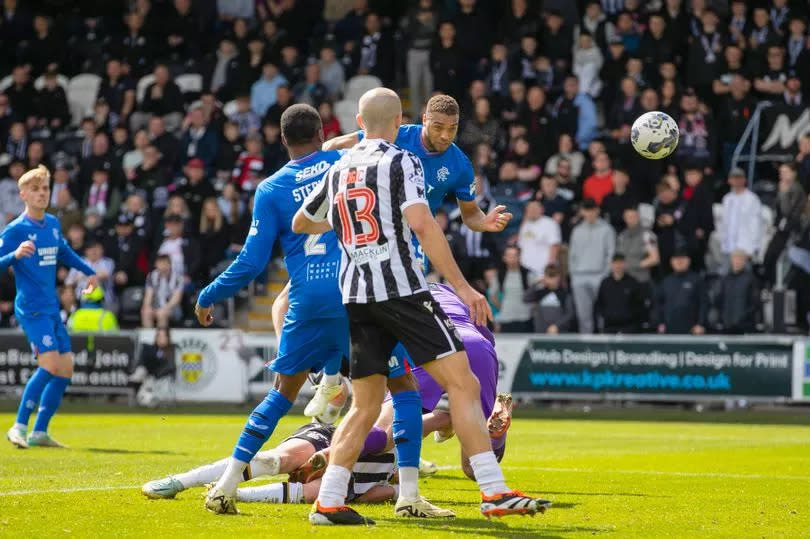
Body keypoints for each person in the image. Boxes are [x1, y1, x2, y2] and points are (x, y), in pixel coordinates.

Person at [293, 88, 549, 525]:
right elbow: (423, 224)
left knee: (365, 405)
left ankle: (329, 501)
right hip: (401, 291)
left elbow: (302, 221)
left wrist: (350, 224)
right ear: (399, 125)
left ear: (359, 121)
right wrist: (464, 287)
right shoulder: (403, 160)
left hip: (356, 295)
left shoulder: (340, 169)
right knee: (464, 385)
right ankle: (493, 490)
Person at [196, 104, 350, 516]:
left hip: (306, 298)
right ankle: (403, 486)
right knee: (394, 383)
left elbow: (250, 262)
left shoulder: (270, 189)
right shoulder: (343, 162)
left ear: (282, 141)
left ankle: (226, 484)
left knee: (281, 393)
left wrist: (207, 294)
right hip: (353, 292)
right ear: (322, 132)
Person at [0, 165, 99, 449]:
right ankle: (18, 426)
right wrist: (13, 255)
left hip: (51, 307)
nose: (42, 193)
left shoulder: (53, 224)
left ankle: (40, 431)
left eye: (45, 188)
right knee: (51, 364)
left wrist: (88, 270)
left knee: (66, 368)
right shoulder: (17, 229)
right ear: (23, 195)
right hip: (31, 308)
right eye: (36, 189)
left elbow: (64, 252)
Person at [569, 198, 615, 334]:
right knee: (583, 315)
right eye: (586, 211)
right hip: (580, 277)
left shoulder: (607, 229)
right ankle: (586, 347)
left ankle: (604, 343)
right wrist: (574, 276)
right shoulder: (577, 230)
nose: (589, 214)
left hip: (600, 275)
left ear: (597, 210)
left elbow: (610, 253)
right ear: (582, 211)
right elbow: (572, 255)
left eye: (592, 210)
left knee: (603, 313)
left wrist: (606, 274)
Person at [655, 248, 708, 335]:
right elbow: (659, 304)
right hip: (669, 329)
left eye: (682, 259)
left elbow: (704, 303)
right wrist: (660, 322)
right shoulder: (666, 281)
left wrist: (700, 324)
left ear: (688, 261)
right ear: (671, 262)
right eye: (676, 259)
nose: (679, 262)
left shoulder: (697, 280)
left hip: (692, 329)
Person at [721, 167, 762, 268]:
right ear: (729, 180)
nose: (736, 181)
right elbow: (725, 223)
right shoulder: (727, 199)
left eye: (739, 178)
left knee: (745, 278)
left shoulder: (752, 199)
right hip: (729, 247)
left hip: (745, 248)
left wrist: (754, 247)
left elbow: (756, 225)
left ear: (744, 180)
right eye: (734, 178)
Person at [595, 253, 646, 333]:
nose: (618, 266)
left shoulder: (633, 283)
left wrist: (631, 318)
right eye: (615, 263)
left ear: (625, 264)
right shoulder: (605, 283)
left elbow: (640, 305)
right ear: (611, 264)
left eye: (620, 263)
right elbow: (599, 303)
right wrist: (606, 315)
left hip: (629, 327)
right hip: (609, 326)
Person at [487, 246, 532, 333]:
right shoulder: (499, 275)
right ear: (504, 258)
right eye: (509, 256)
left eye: (515, 255)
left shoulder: (528, 274)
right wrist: (503, 308)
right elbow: (492, 295)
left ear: (519, 257)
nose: (512, 259)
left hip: (525, 318)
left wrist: (530, 309)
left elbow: (535, 294)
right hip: (506, 318)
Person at [522, 264, 576, 334]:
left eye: (552, 276)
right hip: (541, 332)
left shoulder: (565, 294)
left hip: (559, 332)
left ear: (558, 277)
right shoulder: (540, 293)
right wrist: (536, 283)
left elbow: (570, 313)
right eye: (547, 276)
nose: (550, 279)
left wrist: (557, 326)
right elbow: (525, 298)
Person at [717, 250, 760, 334]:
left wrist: (744, 319)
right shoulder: (725, 279)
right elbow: (719, 300)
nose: (737, 261)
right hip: (726, 325)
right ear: (731, 260)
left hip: (744, 327)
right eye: (735, 258)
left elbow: (754, 303)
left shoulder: (750, 279)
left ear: (744, 261)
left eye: (740, 259)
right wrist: (723, 318)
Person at [141, 254, 184, 329]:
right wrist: (147, 307)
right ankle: (148, 338)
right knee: (146, 312)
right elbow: (148, 295)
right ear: (156, 264)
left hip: (172, 308)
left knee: (162, 314)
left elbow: (177, 298)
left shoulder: (178, 277)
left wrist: (165, 308)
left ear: (169, 265)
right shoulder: (151, 276)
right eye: (159, 264)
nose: (162, 266)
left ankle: (162, 338)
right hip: (156, 307)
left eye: (164, 264)